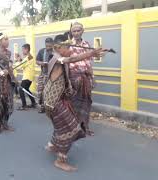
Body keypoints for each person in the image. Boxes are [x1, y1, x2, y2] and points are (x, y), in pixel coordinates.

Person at [43, 34, 106, 172]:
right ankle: (60, 160)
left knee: (62, 125)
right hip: (54, 102)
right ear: (59, 48)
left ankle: (52, 145)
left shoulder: (57, 57)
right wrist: (92, 53)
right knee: (71, 129)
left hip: (52, 100)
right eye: (68, 46)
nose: (71, 49)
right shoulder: (58, 59)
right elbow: (72, 59)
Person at [69, 22, 95, 136]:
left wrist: (92, 77)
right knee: (75, 103)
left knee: (87, 103)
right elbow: (69, 62)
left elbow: (89, 62)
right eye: (74, 31)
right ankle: (74, 128)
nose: (76, 33)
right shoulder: (69, 45)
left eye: (78, 30)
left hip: (87, 78)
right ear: (71, 32)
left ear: (82, 31)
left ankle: (85, 126)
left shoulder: (87, 44)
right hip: (75, 78)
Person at [0, 33, 17, 134]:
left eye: (7, 39)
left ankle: (5, 123)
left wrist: (14, 78)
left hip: (8, 83)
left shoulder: (9, 53)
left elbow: (10, 68)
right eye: (5, 39)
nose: (7, 41)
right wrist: (0, 72)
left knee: (9, 104)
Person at [15, 44, 36, 110]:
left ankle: (24, 105)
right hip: (30, 76)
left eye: (23, 50)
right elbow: (23, 63)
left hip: (27, 76)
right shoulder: (29, 57)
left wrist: (18, 60)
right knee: (26, 89)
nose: (22, 51)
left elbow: (20, 66)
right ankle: (33, 103)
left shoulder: (28, 58)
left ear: (26, 49)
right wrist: (19, 59)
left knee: (21, 90)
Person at [36, 38, 54, 113]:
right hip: (43, 74)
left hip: (52, 75)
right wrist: (41, 63)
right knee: (40, 91)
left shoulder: (55, 52)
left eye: (50, 46)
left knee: (48, 92)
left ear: (52, 45)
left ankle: (47, 108)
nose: (48, 48)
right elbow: (37, 61)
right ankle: (41, 106)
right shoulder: (41, 51)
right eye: (47, 46)